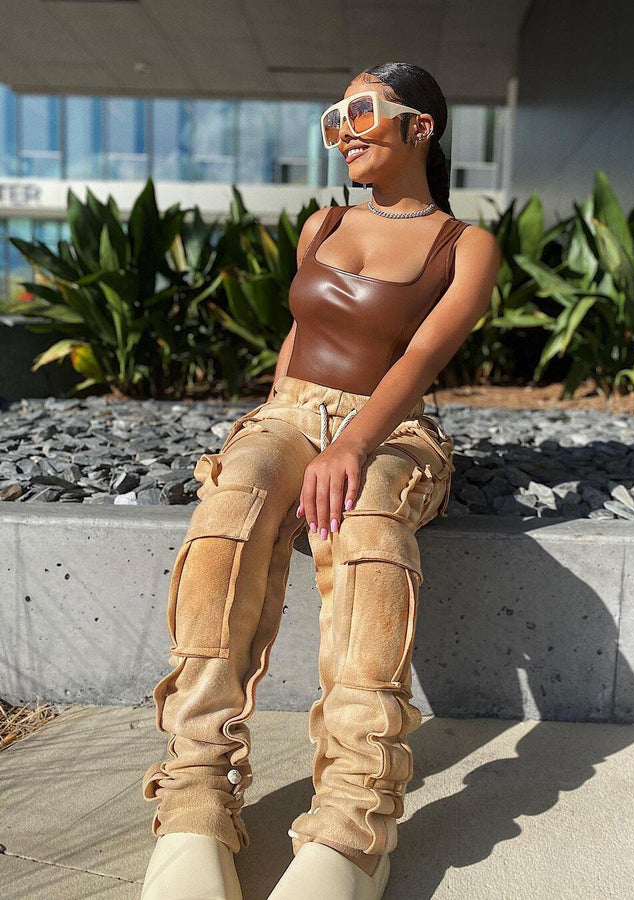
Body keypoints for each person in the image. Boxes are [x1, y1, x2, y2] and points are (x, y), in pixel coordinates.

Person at [140, 61, 501, 900]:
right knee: (234, 505)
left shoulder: (464, 245)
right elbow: (297, 338)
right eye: (335, 113)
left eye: (361, 111)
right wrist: (276, 427)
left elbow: (418, 359)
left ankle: (354, 821)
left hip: (394, 425)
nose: (343, 128)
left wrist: (352, 445)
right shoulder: (321, 223)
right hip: (290, 412)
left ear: (420, 127)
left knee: (370, 522)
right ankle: (195, 798)